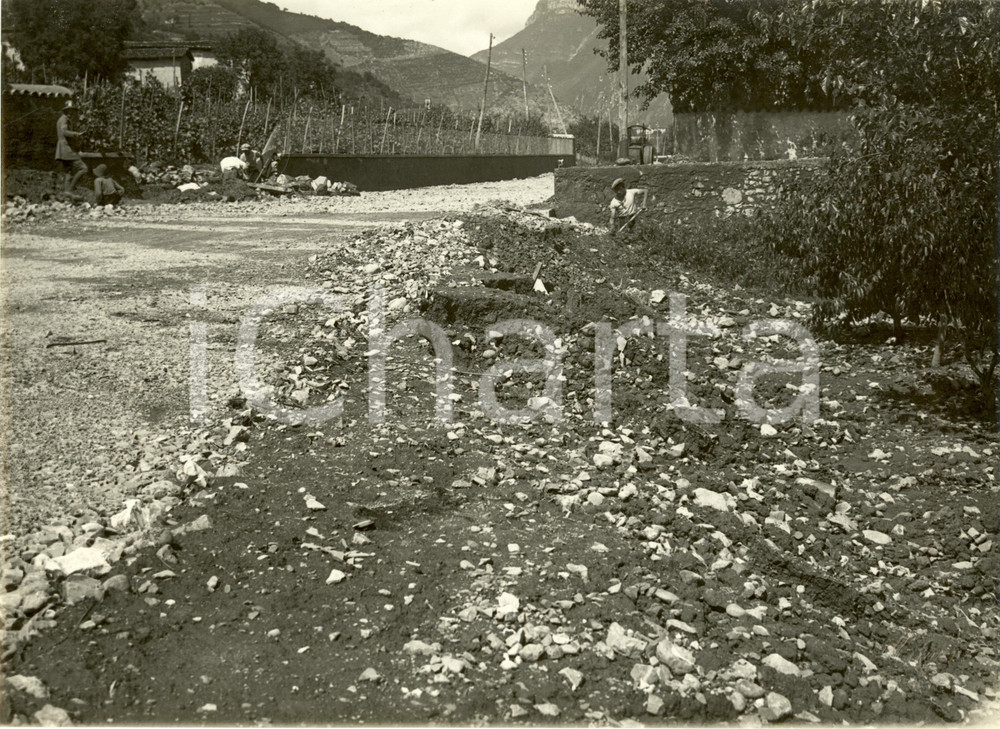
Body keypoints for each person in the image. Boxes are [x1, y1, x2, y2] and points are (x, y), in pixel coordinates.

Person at [56, 101, 88, 193]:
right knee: (83, 168)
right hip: (67, 149)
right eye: (69, 111)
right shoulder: (64, 120)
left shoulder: (62, 119)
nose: (71, 113)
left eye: (72, 111)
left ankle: (67, 192)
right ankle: (71, 188)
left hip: (63, 149)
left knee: (69, 171)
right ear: (65, 111)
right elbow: (64, 132)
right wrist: (76, 134)